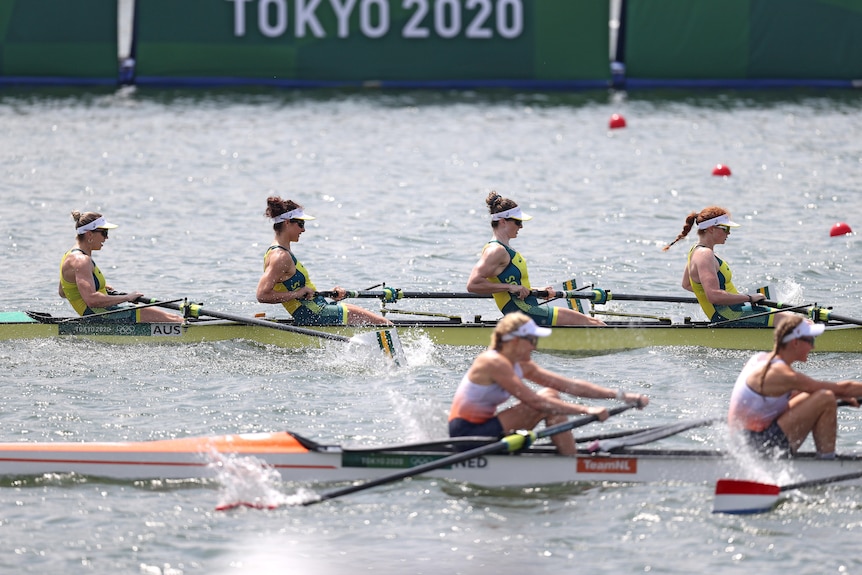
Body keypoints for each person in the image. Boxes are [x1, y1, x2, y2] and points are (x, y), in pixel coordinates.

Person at [448, 312, 648, 455]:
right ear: (515, 341)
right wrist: (586, 410)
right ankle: (572, 464)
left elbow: (570, 385)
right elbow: (535, 403)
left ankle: (569, 459)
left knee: (551, 394)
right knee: (544, 403)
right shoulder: (493, 362)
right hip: (467, 436)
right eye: (533, 341)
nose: (536, 346)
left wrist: (621, 396)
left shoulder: (521, 364)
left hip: (486, 428)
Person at [728, 314, 862, 459]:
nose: (813, 346)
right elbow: (843, 388)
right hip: (758, 448)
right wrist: (840, 394)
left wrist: (840, 395)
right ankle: (827, 463)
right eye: (810, 340)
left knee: (822, 395)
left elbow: (803, 393)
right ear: (795, 342)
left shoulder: (759, 359)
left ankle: (826, 459)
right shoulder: (781, 374)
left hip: (744, 442)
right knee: (826, 398)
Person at [466, 191, 604, 326]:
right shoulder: (496, 251)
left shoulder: (504, 249)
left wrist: (537, 291)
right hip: (524, 313)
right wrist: (509, 287)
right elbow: (473, 284)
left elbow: (515, 286)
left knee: (593, 322)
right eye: (518, 222)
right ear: (503, 221)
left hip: (529, 308)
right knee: (594, 323)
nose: (521, 226)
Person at [256, 196, 392, 326]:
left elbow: (300, 290)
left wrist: (328, 293)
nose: (303, 229)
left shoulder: (282, 253)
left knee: (373, 319)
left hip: (318, 309)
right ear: (287, 223)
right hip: (314, 314)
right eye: (300, 223)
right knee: (383, 323)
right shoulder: (280, 256)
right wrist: (297, 294)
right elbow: (262, 295)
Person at [58, 211, 183, 323]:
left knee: (170, 318)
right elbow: (91, 300)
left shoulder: (69, 255)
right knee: (175, 319)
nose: (106, 238)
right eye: (104, 233)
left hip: (99, 312)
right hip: (101, 315)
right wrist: (126, 298)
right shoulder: (81, 261)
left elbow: (63, 292)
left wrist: (98, 286)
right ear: (89, 234)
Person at [663, 206, 773, 325]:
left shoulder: (695, 250)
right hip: (730, 315)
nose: (729, 233)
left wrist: (733, 297)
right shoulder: (705, 255)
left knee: (786, 317)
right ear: (711, 229)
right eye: (726, 228)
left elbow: (687, 284)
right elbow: (714, 296)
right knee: (792, 322)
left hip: (731, 310)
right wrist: (749, 298)